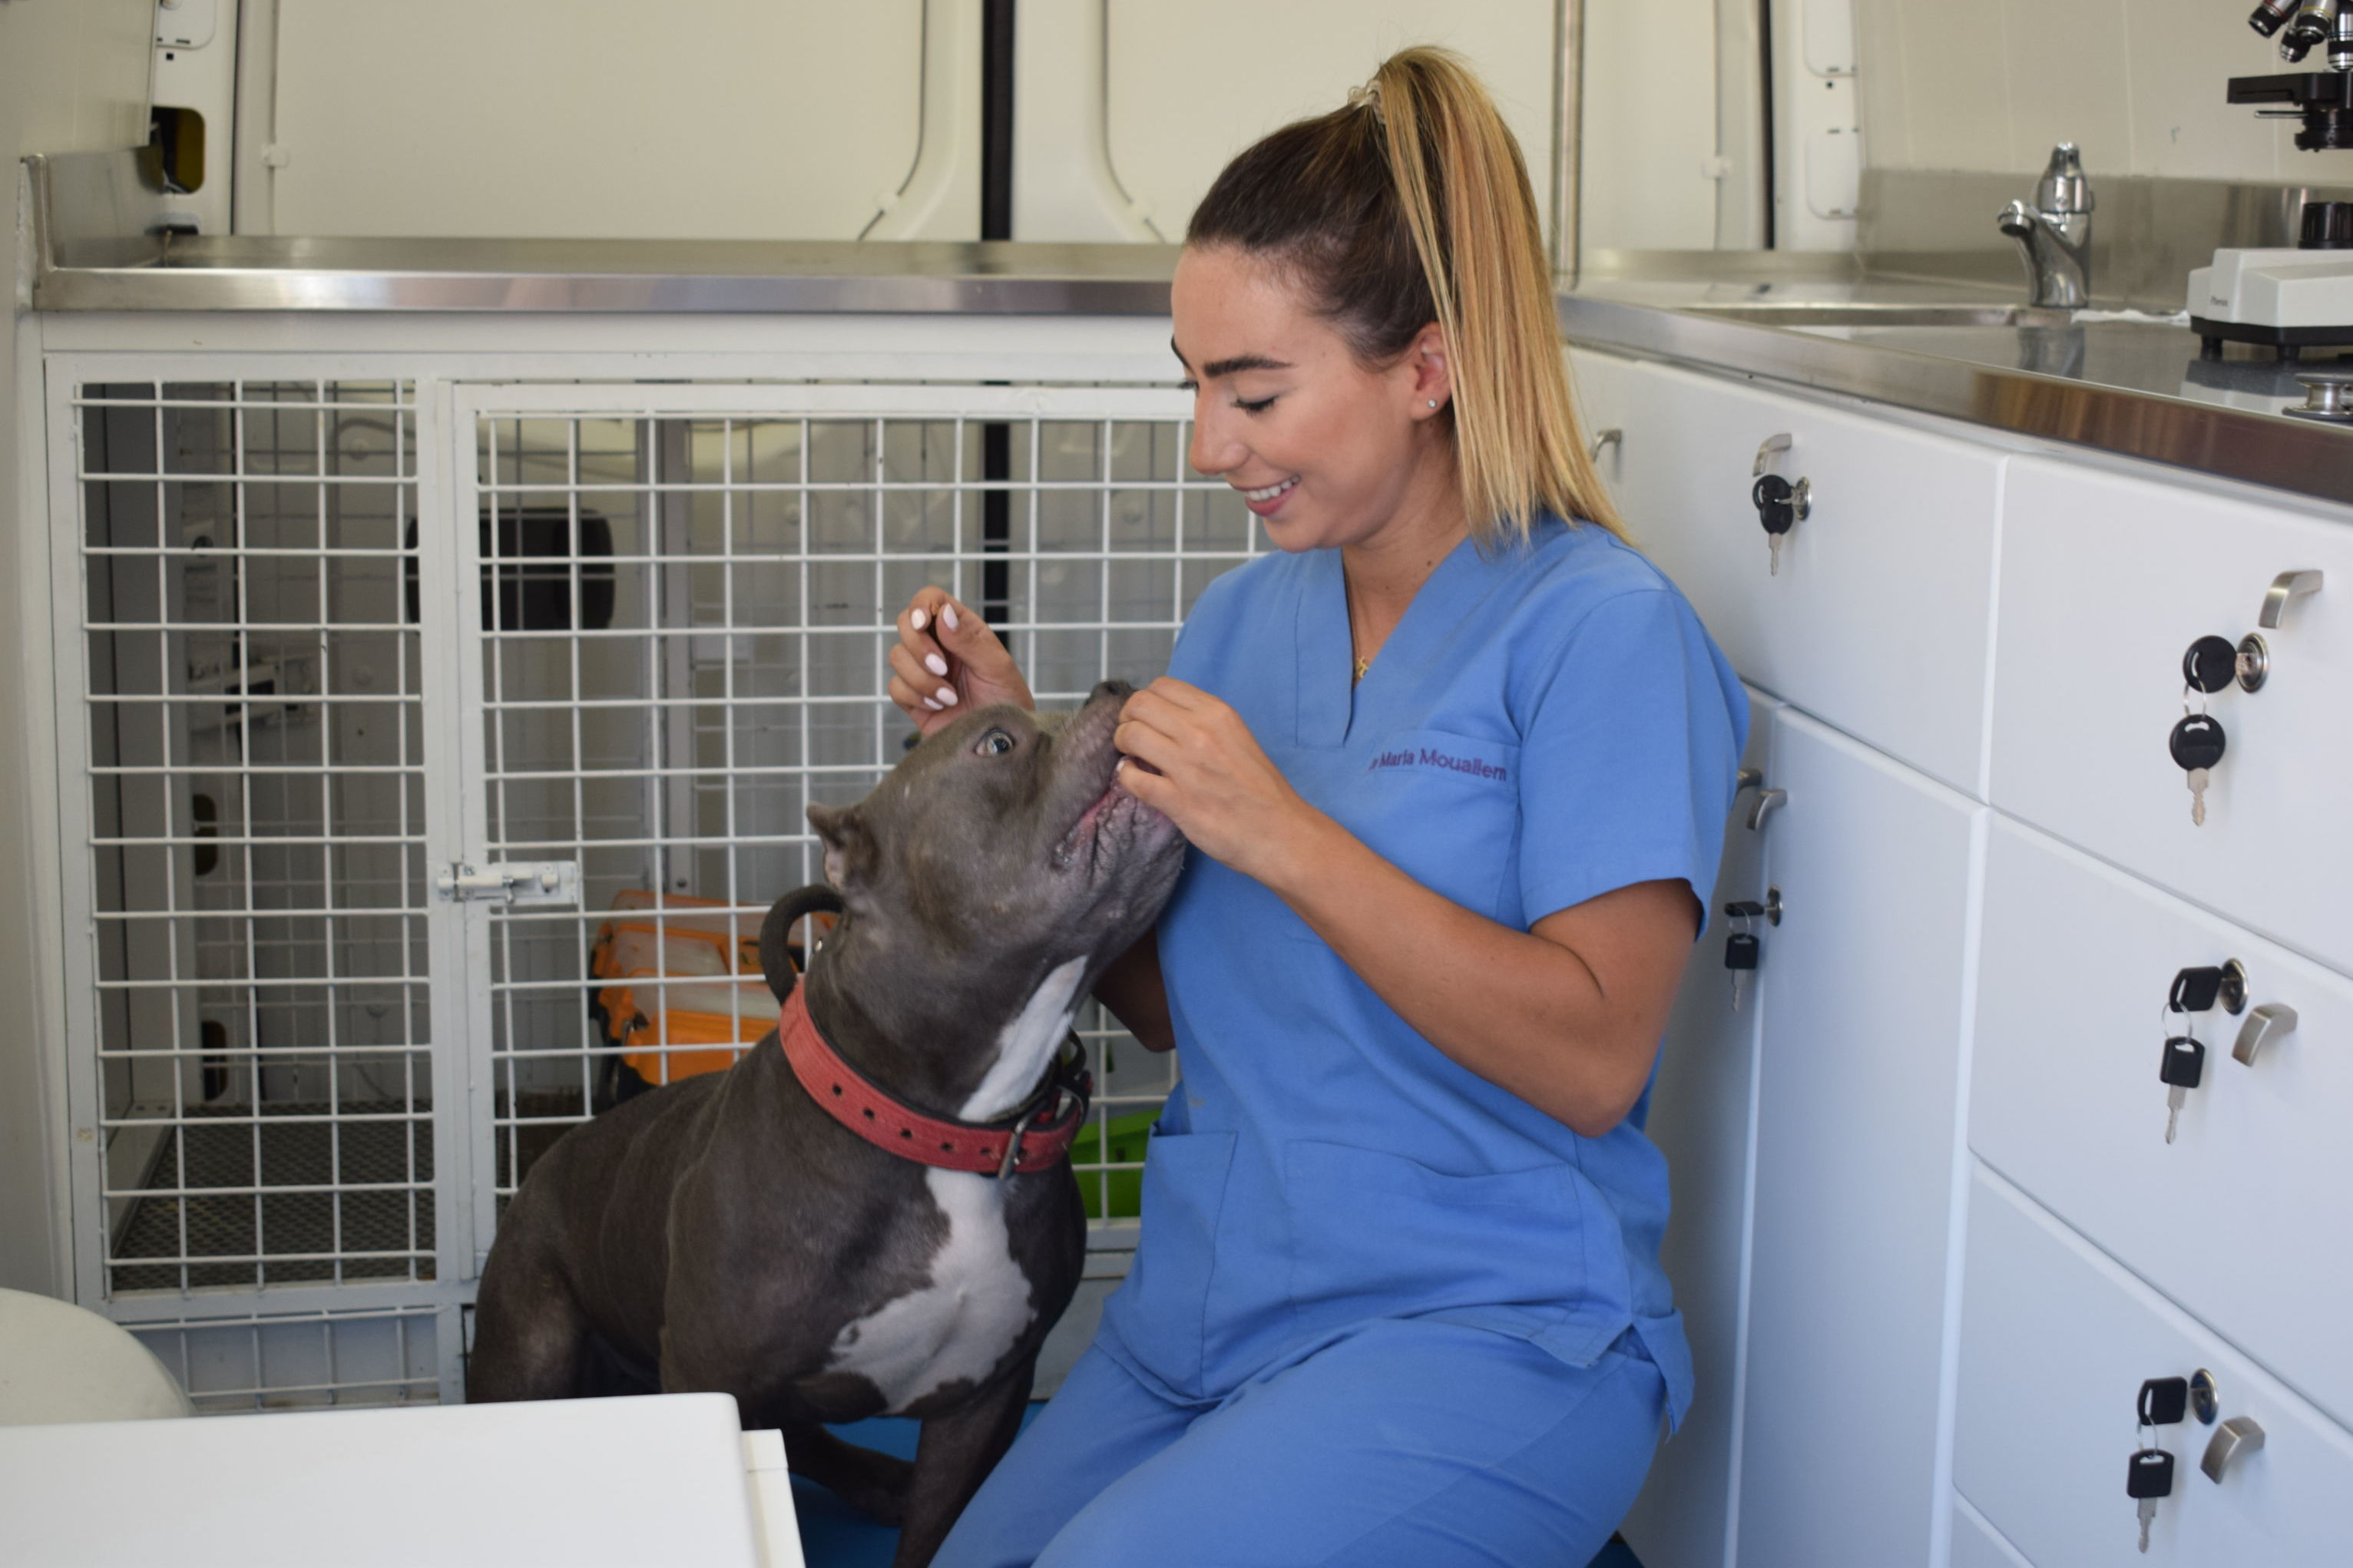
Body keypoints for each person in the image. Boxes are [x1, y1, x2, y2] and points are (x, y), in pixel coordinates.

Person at [886, 48, 1746, 1568]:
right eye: (1194, 383)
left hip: (1488, 1329)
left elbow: (1595, 1056)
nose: (1209, 444)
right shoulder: (1236, 626)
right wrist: (1003, 753)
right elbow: (1181, 1007)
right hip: (1209, 1314)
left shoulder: (1602, 632)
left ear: (1424, 370)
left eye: (1255, 391)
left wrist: (1284, 832)